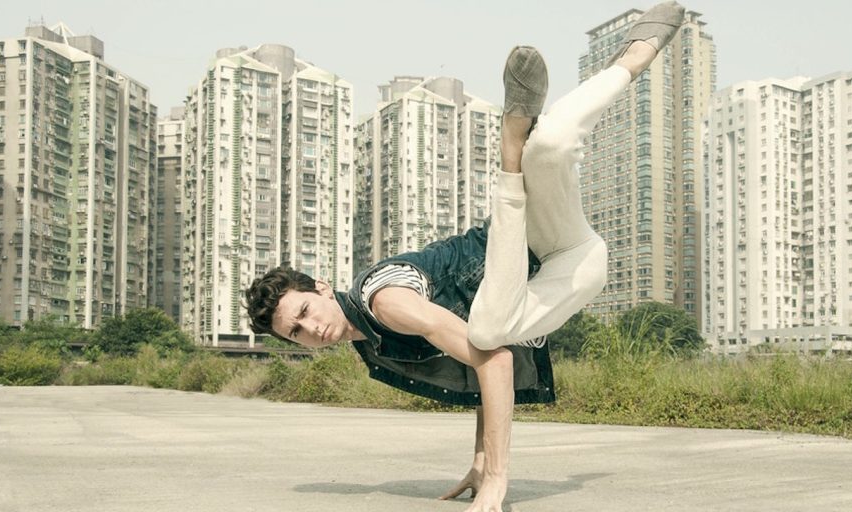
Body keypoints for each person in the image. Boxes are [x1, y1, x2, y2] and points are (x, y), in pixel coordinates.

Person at [244, 3, 685, 511]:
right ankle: (513, 147)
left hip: (536, 236)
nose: (311, 330)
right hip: (569, 273)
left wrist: (497, 476)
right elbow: (478, 367)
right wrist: (480, 457)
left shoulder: (384, 303)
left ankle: (631, 57)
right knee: (488, 329)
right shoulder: (371, 337)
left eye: (303, 312)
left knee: (553, 145)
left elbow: (493, 363)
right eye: (295, 334)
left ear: (321, 286)